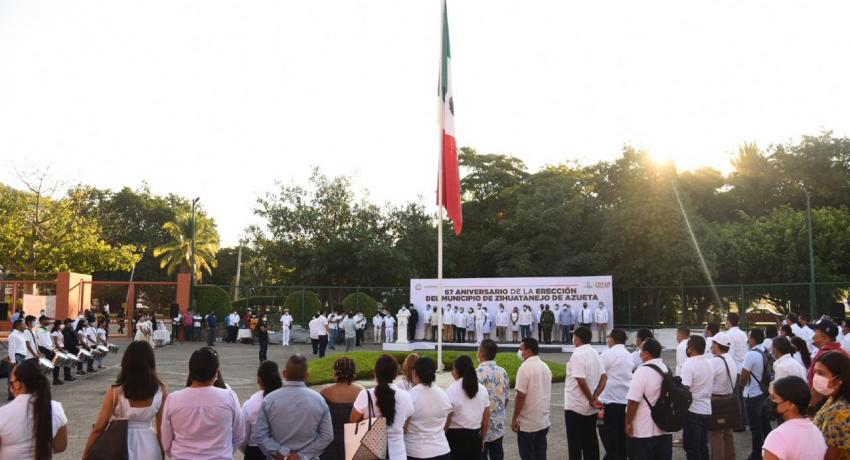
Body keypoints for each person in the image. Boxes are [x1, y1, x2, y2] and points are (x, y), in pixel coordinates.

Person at [83, 341, 168, 460]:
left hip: (120, 444)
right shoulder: (161, 389)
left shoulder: (115, 392)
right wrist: (162, 453)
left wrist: (86, 453)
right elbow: (161, 428)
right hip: (149, 444)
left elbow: (99, 428)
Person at [160, 347, 245, 458]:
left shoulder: (173, 399)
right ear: (216, 372)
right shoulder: (229, 396)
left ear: (190, 371)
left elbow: (166, 442)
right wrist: (223, 452)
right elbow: (239, 435)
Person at [253, 354, 332, 459]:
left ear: (284, 374)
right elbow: (327, 436)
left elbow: (260, 435)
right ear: (307, 375)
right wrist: (302, 455)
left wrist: (282, 453)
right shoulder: (319, 400)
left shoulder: (269, 400)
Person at [0, 360, 68, 459]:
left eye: (12, 382)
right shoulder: (56, 408)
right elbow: (60, 446)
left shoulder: (3, 413)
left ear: (18, 384)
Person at [351, 354, 414, 460]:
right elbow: (405, 427)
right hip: (397, 454)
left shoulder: (365, 395)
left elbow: (353, 424)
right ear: (395, 374)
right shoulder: (405, 396)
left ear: (375, 373)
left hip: (370, 453)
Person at [626, 337, 672, 460]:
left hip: (644, 428)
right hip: (664, 426)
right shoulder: (666, 369)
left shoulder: (642, 371)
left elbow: (633, 401)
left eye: (641, 349)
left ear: (646, 354)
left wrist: (628, 422)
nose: (639, 352)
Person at [564, 326, 605, 460]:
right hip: (590, 408)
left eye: (574, 336)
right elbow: (604, 377)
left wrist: (591, 399)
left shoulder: (577, 354)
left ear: (578, 339)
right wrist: (595, 396)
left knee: (575, 444)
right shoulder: (595, 353)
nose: (573, 338)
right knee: (590, 442)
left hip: (575, 406)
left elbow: (580, 381)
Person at [762, 376, 827, 460]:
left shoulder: (778, 436)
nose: (771, 401)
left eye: (774, 398)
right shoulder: (817, 432)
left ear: (790, 404)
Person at [512, 337, 552, 460]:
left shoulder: (524, 368)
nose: (520, 352)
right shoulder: (545, 366)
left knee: (528, 456)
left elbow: (521, 396)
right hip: (542, 420)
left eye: (521, 349)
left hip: (528, 423)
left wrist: (514, 418)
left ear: (528, 351)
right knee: (541, 455)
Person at [405, 356, 452, 460]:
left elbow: (402, 426)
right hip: (441, 450)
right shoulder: (443, 395)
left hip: (415, 451)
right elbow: (449, 416)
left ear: (414, 373)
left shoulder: (409, 396)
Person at [446, 355, 491, 460]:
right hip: (475, 438)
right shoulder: (482, 389)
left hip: (455, 438)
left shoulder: (451, 390)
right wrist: (483, 439)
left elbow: (447, 417)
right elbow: (486, 417)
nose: (452, 372)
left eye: (453, 369)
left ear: (457, 370)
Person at [319, 358, 362, 460]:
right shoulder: (361, 392)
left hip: (329, 444)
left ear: (335, 372)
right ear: (353, 372)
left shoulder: (324, 392)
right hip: (354, 443)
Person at [240, 361, 283, 460]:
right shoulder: (288, 399)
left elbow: (243, 437)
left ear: (259, 379)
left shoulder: (250, 404)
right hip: (282, 451)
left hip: (255, 452)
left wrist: (247, 451)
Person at [598, 328, 631, 460]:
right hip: (624, 401)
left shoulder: (607, 354)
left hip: (609, 401)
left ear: (612, 339)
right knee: (621, 436)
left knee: (607, 434)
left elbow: (599, 374)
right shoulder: (629, 355)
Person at [739, 327, 772, 459]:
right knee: (765, 424)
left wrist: (741, 386)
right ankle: (770, 448)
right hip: (763, 392)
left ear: (752, 339)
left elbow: (743, 376)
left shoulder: (751, 354)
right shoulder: (764, 350)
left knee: (755, 428)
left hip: (751, 394)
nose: (748, 338)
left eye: (749, 336)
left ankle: (756, 454)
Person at [812, 351, 850, 459]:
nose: (816, 377)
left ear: (838, 379)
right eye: (815, 372)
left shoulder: (841, 412)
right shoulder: (832, 399)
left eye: (821, 373)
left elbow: (830, 456)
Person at [476, 339, 510, 460]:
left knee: (481, 454)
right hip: (498, 422)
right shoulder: (503, 372)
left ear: (482, 354)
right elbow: (506, 398)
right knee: (498, 454)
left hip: (481, 424)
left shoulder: (477, 373)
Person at [680, 335, 712, 460]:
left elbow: (685, 389)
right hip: (707, 409)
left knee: (691, 447)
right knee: (703, 445)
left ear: (691, 348)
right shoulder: (709, 363)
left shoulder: (689, 364)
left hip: (693, 410)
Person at [708, 332, 738, 460]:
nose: (711, 346)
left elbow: (707, 381)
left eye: (713, 343)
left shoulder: (715, 362)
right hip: (729, 400)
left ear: (717, 345)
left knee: (716, 436)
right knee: (728, 434)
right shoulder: (730, 359)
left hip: (716, 401)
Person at [808, 320, 849, 388]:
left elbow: (818, 385)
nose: (813, 335)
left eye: (815, 331)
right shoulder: (842, 352)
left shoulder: (824, 355)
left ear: (823, 336)